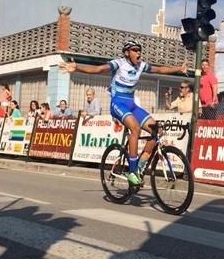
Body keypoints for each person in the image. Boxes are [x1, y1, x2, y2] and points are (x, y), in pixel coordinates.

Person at [60, 39, 186, 185]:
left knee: (157, 131)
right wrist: (77, 67)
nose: (138, 53)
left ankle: (140, 165)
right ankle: (131, 171)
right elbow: (98, 69)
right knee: (135, 129)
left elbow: (159, 70)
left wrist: (178, 68)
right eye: (134, 50)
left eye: (139, 50)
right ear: (127, 53)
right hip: (118, 104)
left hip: (131, 105)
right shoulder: (119, 63)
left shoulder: (141, 65)